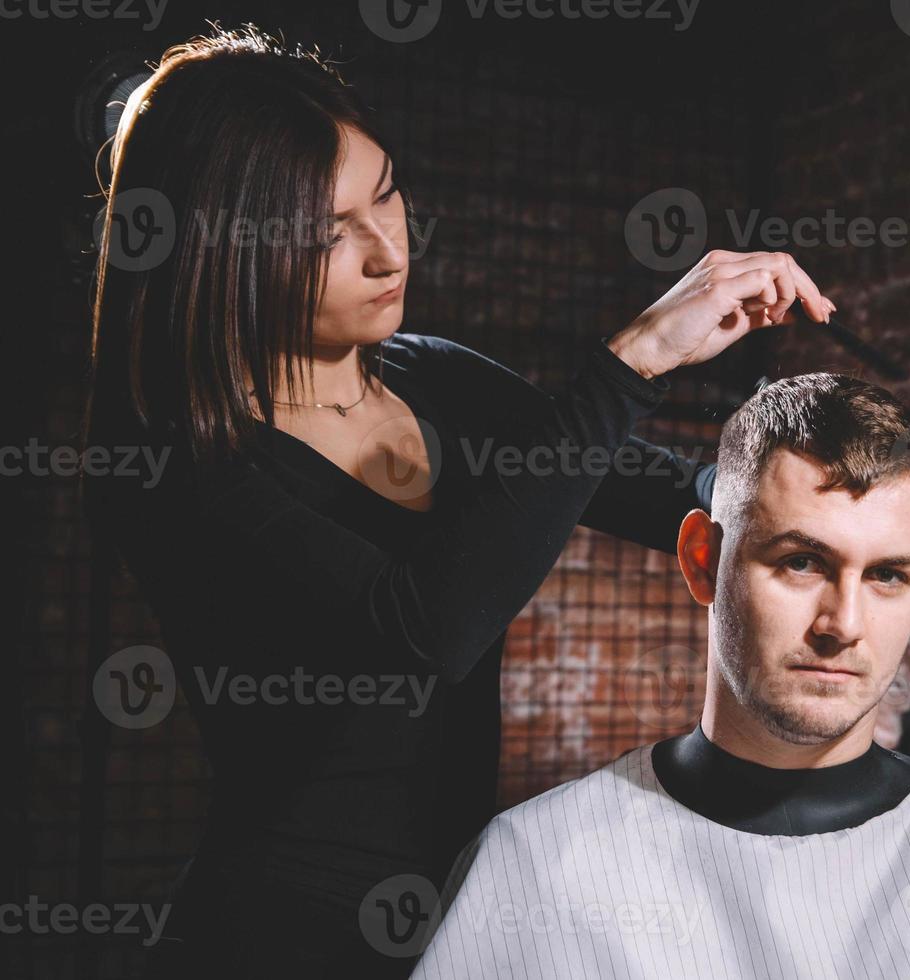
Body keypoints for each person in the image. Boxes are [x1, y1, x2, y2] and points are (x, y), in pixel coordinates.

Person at [79, 23, 835, 979]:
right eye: (326, 231)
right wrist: (636, 358)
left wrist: (827, 482)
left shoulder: (435, 381)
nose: (386, 249)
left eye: (386, 192)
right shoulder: (179, 462)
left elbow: (676, 497)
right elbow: (420, 629)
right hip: (274, 938)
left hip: (452, 928)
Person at [410, 374, 910, 980]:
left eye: (889, 574)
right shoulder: (532, 873)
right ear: (703, 560)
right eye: (802, 562)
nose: (842, 622)